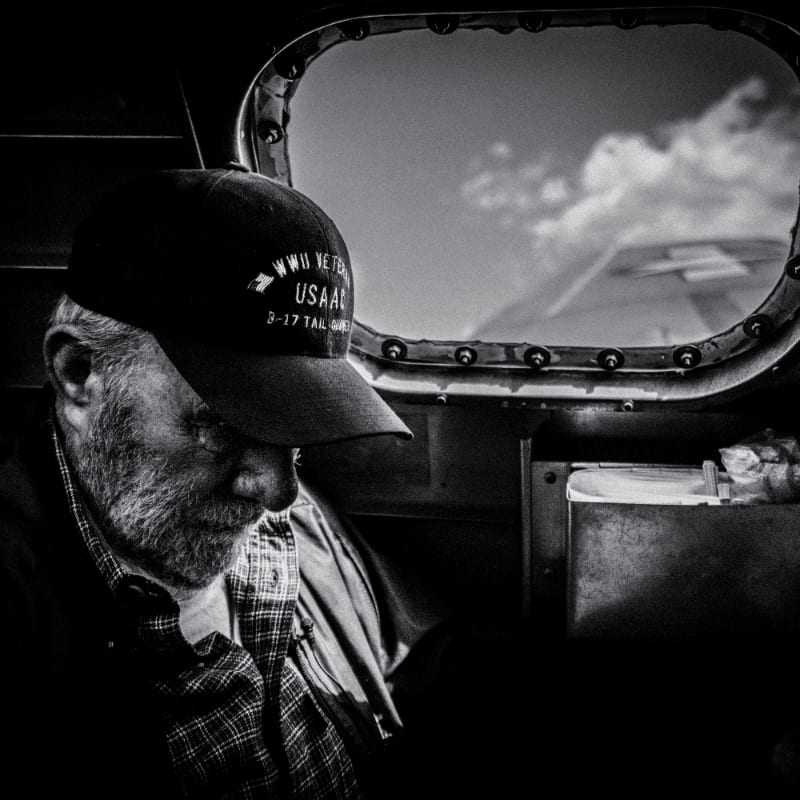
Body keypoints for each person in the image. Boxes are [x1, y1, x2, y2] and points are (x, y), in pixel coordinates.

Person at [0, 166, 445, 798]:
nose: (278, 493)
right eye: (225, 426)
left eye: (296, 428)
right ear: (79, 372)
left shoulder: (304, 524)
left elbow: (431, 666)